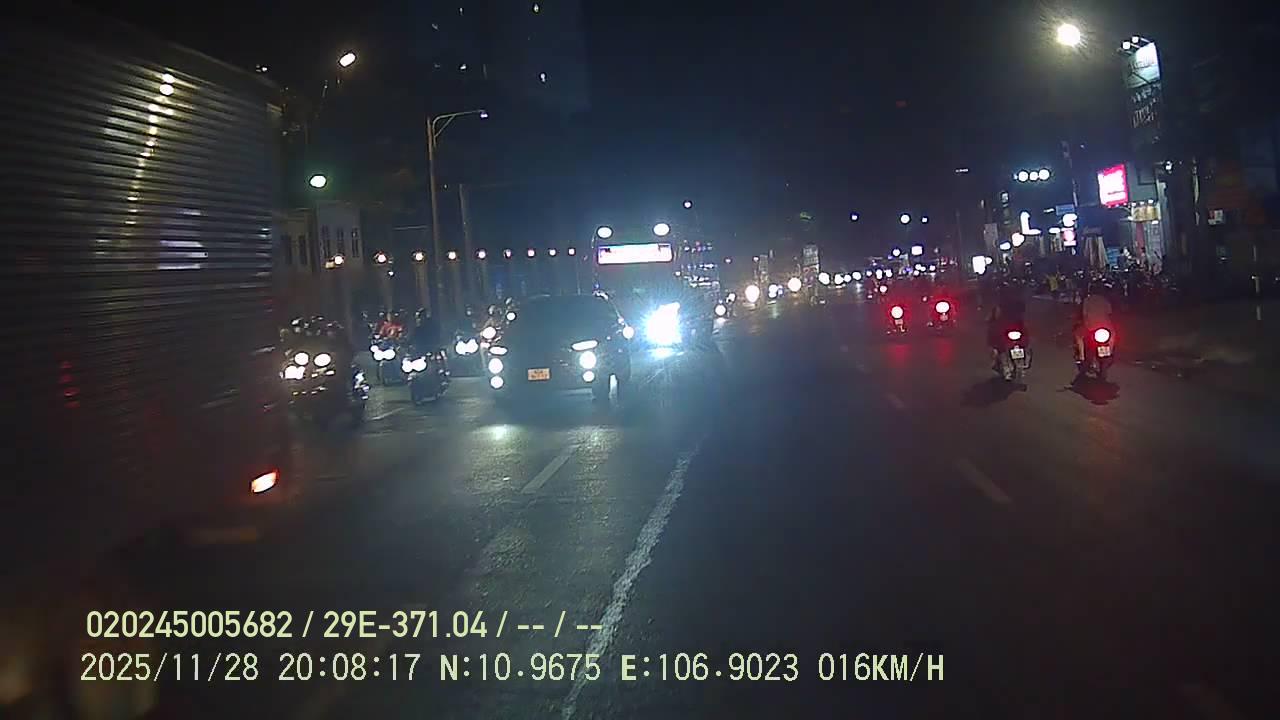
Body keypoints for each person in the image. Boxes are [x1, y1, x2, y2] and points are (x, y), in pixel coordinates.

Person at [1073, 282, 1114, 362]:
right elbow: (1109, 312)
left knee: (1078, 336)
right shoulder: (1105, 300)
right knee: (1113, 336)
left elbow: (1084, 314)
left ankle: (1082, 356)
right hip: (1106, 328)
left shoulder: (1087, 300)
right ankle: (1110, 353)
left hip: (1090, 327)